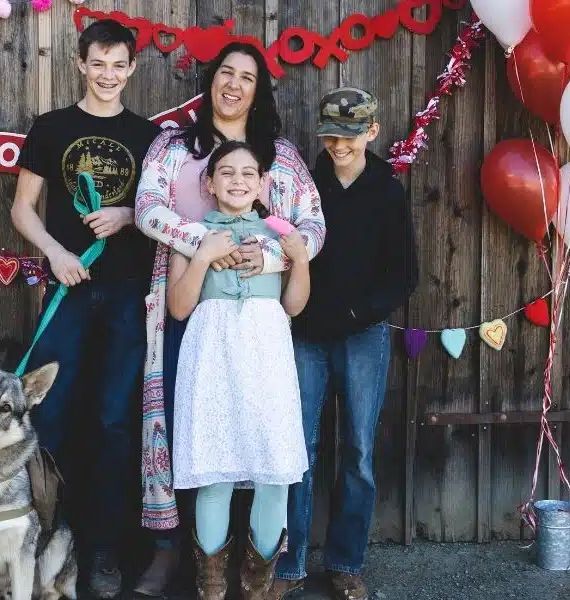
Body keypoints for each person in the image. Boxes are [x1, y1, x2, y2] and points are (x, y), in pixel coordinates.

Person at [132, 42, 326, 597]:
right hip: (190, 303)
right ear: (210, 81)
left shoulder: (280, 157)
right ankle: (174, 558)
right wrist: (207, 245)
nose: (234, 84)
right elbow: (148, 208)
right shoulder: (175, 146)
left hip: (261, 310)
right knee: (192, 439)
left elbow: (311, 227)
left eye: (247, 76)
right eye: (225, 73)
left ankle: (261, 575)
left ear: (259, 89)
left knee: (266, 451)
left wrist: (270, 256)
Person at [9, 18, 161, 599]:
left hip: (126, 294)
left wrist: (127, 216)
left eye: (118, 64)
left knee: (115, 421)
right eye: (97, 63)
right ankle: (47, 543)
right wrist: (54, 252)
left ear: (131, 68)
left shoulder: (149, 137)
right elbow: (24, 207)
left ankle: (105, 551)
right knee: (52, 415)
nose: (107, 74)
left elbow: (157, 210)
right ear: (80, 64)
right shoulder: (52, 128)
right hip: (68, 291)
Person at [271, 87, 419, 600]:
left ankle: (345, 561)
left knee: (356, 449)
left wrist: (359, 313)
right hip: (305, 333)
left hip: (363, 335)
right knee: (298, 450)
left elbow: (403, 276)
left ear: (372, 132)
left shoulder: (386, 189)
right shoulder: (302, 182)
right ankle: (288, 565)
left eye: (350, 136)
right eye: (331, 134)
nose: (339, 145)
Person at [167, 140, 310, 600]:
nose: (238, 181)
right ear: (208, 184)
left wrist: (299, 259)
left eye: (249, 173)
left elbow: (293, 304)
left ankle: (257, 586)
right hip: (211, 353)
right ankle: (211, 588)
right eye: (226, 172)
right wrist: (204, 255)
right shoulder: (190, 234)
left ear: (264, 183)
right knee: (215, 471)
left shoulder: (278, 237)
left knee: (274, 472)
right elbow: (179, 307)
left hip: (266, 353)